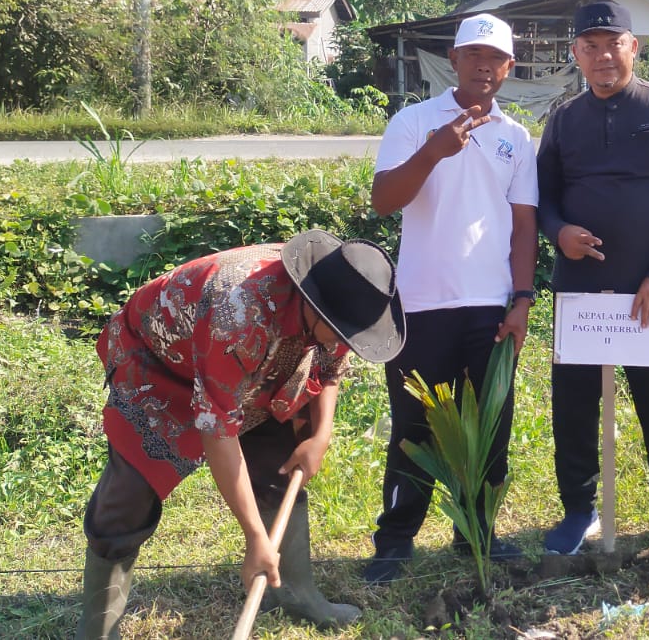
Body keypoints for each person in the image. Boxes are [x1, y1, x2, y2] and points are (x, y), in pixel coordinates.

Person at [77, 230, 404, 639]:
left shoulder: (341, 301)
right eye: (342, 334)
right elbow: (218, 431)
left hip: (260, 359)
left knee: (277, 467)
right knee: (128, 497)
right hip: (160, 362)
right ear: (314, 307)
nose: (346, 343)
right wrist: (254, 539)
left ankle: (293, 594)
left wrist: (320, 436)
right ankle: (98, 629)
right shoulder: (238, 309)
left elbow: (331, 364)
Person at [361, 12, 538, 584]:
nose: (484, 67)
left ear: (509, 68)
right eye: (474, 56)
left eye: (496, 59)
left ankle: (476, 532)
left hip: (491, 306)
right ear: (454, 59)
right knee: (413, 426)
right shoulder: (414, 122)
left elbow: (524, 226)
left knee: (491, 425)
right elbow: (384, 200)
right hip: (421, 304)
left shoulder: (516, 138)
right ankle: (395, 541)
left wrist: (522, 300)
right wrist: (434, 151)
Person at [536, 0, 649, 559]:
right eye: (589, 47)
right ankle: (578, 510)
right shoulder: (563, 119)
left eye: (613, 44)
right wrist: (559, 231)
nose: (603, 56)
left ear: (633, 47)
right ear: (576, 54)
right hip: (580, 296)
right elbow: (542, 199)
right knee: (573, 407)